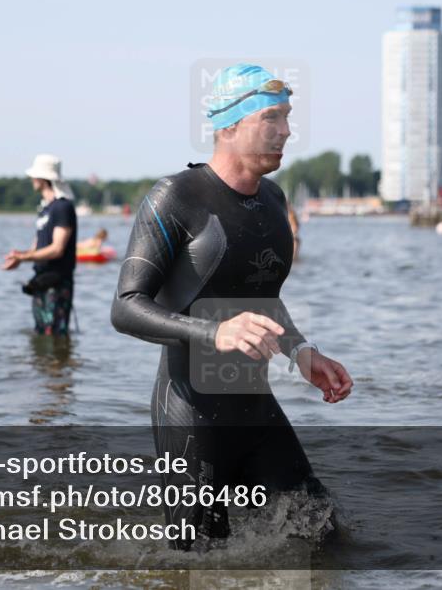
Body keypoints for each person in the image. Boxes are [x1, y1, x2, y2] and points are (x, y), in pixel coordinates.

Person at [110, 63, 353, 551]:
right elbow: (125, 307)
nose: (286, 130)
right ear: (228, 126)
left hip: (255, 406)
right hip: (191, 413)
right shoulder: (174, 198)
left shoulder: (272, 199)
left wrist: (301, 352)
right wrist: (214, 332)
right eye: (273, 118)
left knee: (324, 539)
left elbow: (260, 299)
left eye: (287, 117)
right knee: (200, 564)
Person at [1, 154, 78, 336]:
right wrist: (19, 257)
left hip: (57, 282)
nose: (31, 179)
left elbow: (57, 249)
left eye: (34, 175)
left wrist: (23, 257)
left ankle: (57, 364)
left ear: (43, 179)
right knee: (40, 334)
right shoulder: (45, 209)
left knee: (55, 334)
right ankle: (42, 365)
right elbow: (37, 247)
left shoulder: (62, 207)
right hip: (40, 280)